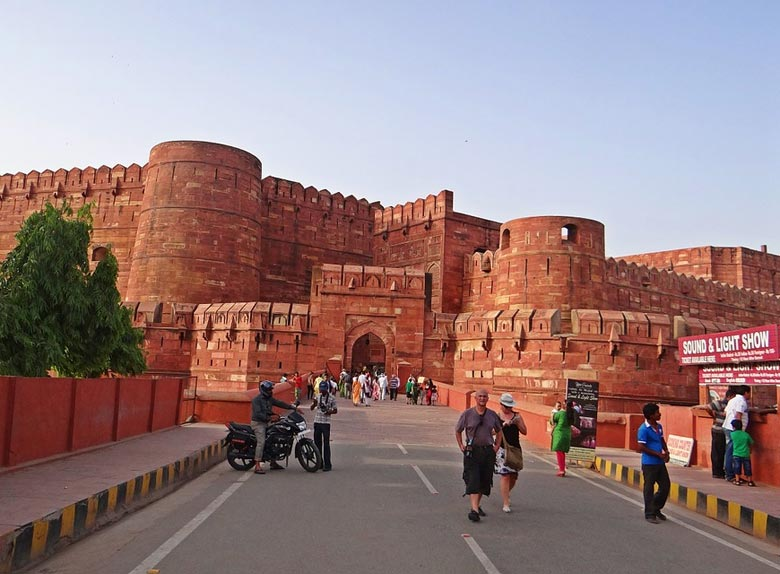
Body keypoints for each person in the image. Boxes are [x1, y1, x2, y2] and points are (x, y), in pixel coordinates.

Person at [455, 389, 502, 522]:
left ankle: (476, 505)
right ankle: (474, 510)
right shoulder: (467, 414)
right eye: (480, 396)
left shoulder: (492, 415)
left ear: (487, 399)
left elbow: (499, 431)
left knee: (484, 480)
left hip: (487, 451)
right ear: (475, 398)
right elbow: (458, 430)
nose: (482, 399)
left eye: (484, 397)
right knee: (473, 478)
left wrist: (497, 446)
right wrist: (461, 446)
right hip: (472, 451)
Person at [251, 380, 299, 474]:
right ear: (264, 390)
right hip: (258, 423)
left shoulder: (269, 399)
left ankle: (273, 462)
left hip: (267, 422)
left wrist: (293, 407)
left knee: (275, 437)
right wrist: (270, 418)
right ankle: (257, 465)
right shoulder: (256, 400)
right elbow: (258, 414)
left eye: (271, 389)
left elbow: (280, 403)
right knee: (262, 441)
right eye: (269, 390)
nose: (270, 391)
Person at [494, 393, 527, 513]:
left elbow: (525, 431)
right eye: (506, 406)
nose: (508, 409)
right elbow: (492, 432)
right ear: (501, 405)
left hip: (515, 449)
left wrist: (517, 423)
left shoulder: (517, 416)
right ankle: (505, 502)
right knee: (505, 475)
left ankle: (506, 493)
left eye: (510, 407)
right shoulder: (497, 417)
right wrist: (502, 425)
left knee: (514, 476)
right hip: (502, 448)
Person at [637, 402, 670, 523]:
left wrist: (666, 451)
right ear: (651, 415)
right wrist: (657, 454)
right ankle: (649, 513)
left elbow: (661, 439)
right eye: (657, 412)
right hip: (649, 463)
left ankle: (656, 507)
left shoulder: (659, 426)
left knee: (665, 486)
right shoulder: (643, 429)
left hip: (659, 463)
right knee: (649, 488)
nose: (659, 414)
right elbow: (641, 447)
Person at [703, 388, 735, 479]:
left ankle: (722, 471)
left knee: (724, 451)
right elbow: (707, 408)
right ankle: (717, 472)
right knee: (717, 451)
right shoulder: (720, 403)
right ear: (729, 396)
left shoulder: (731, 405)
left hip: (725, 430)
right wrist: (714, 415)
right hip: (718, 429)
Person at [723, 385, 750, 482]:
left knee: (729, 451)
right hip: (734, 429)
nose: (749, 395)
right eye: (749, 393)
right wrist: (738, 431)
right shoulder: (741, 401)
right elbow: (738, 415)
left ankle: (729, 473)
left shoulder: (732, 400)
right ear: (746, 392)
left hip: (727, 426)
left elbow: (725, 413)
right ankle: (730, 475)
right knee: (732, 452)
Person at [310, 379, 337, 471]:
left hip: (326, 423)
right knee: (317, 443)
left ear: (327, 389)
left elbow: (335, 410)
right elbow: (311, 408)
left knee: (326, 444)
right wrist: (314, 403)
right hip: (317, 422)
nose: (322, 391)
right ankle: (319, 463)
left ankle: (328, 464)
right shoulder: (317, 396)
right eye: (321, 389)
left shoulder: (332, 398)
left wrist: (329, 411)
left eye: (324, 389)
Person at [550, 399, 577, 477]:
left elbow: (552, 420)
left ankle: (561, 470)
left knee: (559, 452)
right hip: (567, 435)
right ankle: (562, 468)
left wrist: (552, 415)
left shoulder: (561, 413)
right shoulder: (571, 414)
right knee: (562, 453)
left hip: (560, 434)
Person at [729, 419, 755, 486]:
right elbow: (752, 443)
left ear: (733, 427)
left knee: (737, 467)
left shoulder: (732, 434)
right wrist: (750, 450)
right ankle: (750, 481)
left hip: (736, 454)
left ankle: (737, 480)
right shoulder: (746, 434)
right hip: (746, 453)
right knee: (748, 468)